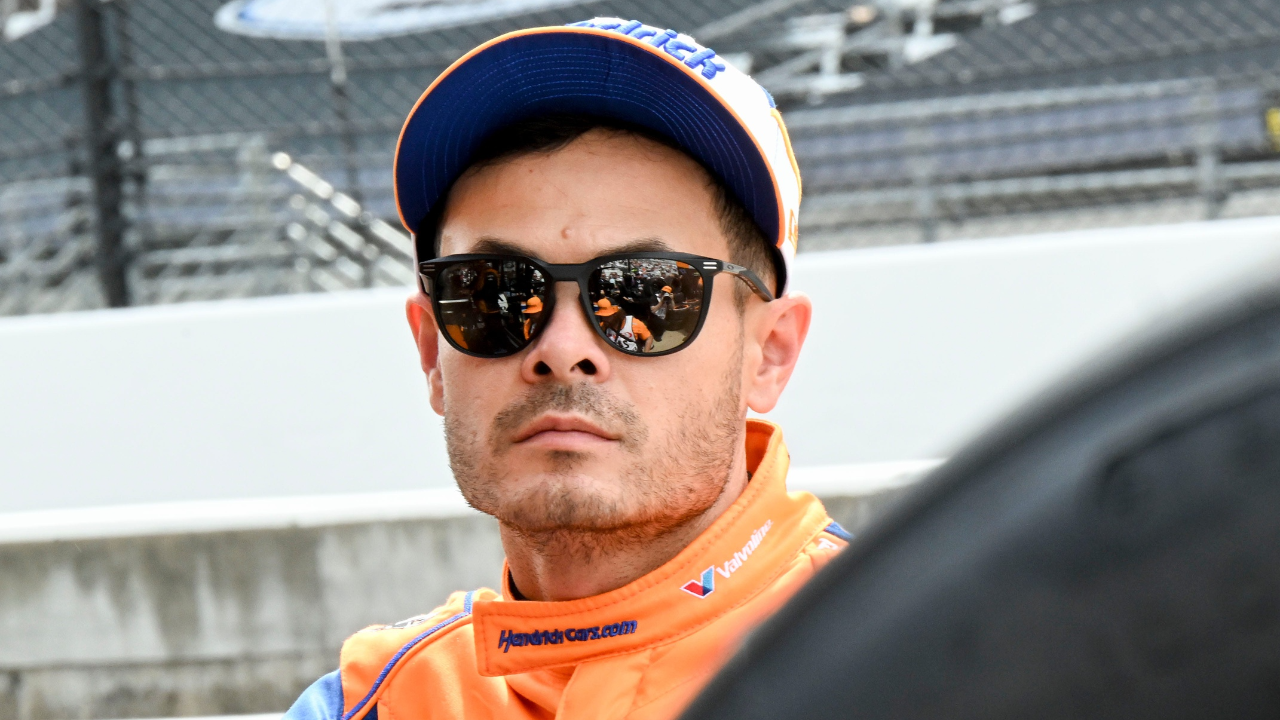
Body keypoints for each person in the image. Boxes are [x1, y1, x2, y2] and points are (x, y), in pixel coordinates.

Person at [284, 17, 847, 720]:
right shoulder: (372, 705)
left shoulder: (929, 655)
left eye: (645, 292)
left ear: (770, 353)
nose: (561, 346)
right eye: (494, 291)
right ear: (432, 351)